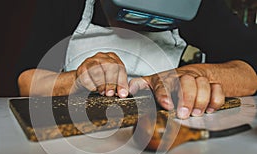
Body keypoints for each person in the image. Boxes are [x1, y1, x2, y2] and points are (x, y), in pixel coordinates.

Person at [17, 0, 257, 119]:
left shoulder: (197, 5)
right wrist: (75, 81)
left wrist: (196, 75)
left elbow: (250, 68)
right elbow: (26, 80)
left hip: (165, 143)